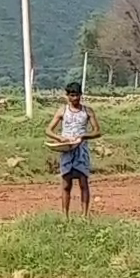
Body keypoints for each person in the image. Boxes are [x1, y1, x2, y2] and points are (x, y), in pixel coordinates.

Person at [45, 82, 102, 219]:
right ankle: (65, 216)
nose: (74, 98)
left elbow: (97, 131)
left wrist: (84, 136)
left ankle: (85, 215)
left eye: (76, 95)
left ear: (81, 95)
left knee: (83, 182)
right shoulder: (62, 111)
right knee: (66, 183)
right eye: (71, 96)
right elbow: (48, 130)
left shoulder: (87, 111)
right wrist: (60, 139)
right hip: (66, 150)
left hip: (81, 151)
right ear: (67, 96)